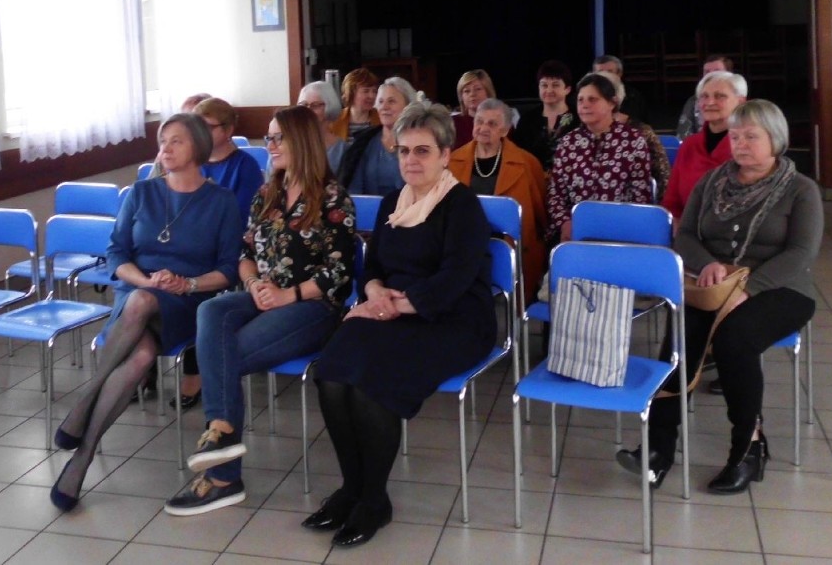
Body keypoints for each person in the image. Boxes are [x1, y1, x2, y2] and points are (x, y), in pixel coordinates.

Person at [302, 102, 496, 547]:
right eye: (404, 151)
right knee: (332, 374)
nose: (411, 160)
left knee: (373, 385)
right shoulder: (394, 201)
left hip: (453, 318)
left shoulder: (462, 205)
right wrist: (373, 294)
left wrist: (397, 306)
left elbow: (457, 278)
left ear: (446, 155)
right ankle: (351, 487)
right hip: (391, 309)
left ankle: (374, 501)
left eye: (423, 151)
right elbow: (372, 266)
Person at [616, 100, 822, 495]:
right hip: (713, 284)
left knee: (734, 339)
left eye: (751, 137)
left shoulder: (800, 190)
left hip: (780, 288)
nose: (740, 144)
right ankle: (657, 449)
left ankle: (748, 448)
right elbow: (686, 235)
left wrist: (749, 288)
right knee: (680, 338)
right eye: (735, 136)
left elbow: (801, 254)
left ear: (775, 140)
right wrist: (709, 264)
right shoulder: (712, 182)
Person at [163, 106, 356, 516]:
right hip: (262, 294)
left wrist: (288, 295)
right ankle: (222, 436)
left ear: (300, 142)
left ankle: (222, 473)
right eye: (267, 138)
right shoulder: (266, 194)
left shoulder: (334, 197)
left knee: (225, 353)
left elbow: (339, 271)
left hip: (313, 306)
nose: (268, 146)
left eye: (276, 139)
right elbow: (244, 252)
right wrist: (253, 284)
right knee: (212, 313)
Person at [50, 113, 242, 512]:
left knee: (142, 307)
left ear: (198, 149)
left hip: (189, 303)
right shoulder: (141, 192)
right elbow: (116, 252)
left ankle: (85, 403)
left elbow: (226, 271)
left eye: (176, 141)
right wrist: (144, 279)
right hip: (138, 294)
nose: (165, 148)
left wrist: (184, 284)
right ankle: (82, 459)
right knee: (138, 353)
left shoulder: (222, 201)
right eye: (162, 140)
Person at [169, 97, 265, 410]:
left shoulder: (245, 166)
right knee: (154, 276)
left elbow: (238, 218)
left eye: (207, 127)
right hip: (188, 245)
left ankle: (194, 373)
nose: (199, 133)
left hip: (226, 247)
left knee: (200, 290)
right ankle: (143, 365)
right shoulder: (192, 162)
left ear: (228, 130)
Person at [450, 98, 548, 302]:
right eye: (479, 121)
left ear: (505, 130)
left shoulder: (528, 163)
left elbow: (541, 215)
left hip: (512, 249)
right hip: (463, 246)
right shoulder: (451, 161)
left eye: (492, 124)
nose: (483, 128)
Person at [546, 73, 651, 245]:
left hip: (621, 231)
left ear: (612, 103)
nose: (584, 105)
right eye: (580, 100)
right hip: (577, 231)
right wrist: (565, 222)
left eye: (592, 99)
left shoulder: (633, 140)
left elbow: (640, 196)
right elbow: (555, 194)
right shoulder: (568, 143)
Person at [663, 71, 748, 225]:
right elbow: (672, 204)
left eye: (719, 96)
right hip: (688, 233)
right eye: (704, 96)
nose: (709, 103)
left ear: (741, 102)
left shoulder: (749, 146)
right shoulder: (689, 145)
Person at [594, 71, 671, 203]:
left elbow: (664, 178)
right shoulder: (579, 137)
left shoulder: (641, 133)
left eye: (595, 97)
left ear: (614, 100)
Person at [339, 77, 417, 196]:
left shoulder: (420, 143)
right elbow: (354, 192)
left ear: (408, 106)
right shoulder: (364, 143)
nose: (384, 107)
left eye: (391, 101)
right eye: (380, 102)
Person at [510, 60, 579, 172]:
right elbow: (518, 153)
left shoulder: (579, 118)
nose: (549, 90)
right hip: (533, 180)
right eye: (544, 85)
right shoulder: (527, 119)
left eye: (555, 85)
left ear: (567, 89)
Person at [677, 55, 734, 140]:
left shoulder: (738, 100)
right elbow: (683, 134)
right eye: (707, 72)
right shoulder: (693, 101)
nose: (710, 75)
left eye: (717, 71)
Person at [298, 80, 348, 173]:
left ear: (329, 106)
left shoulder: (343, 150)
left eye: (315, 105)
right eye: (303, 105)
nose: (308, 111)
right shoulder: (290, 145)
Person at [329, 68, 381, 145]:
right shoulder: (334, 120)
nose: (372, 96)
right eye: (366, 91)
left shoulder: (381, 119)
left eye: (374, 91)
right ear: (351, 93)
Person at [593, 55, 648, 122]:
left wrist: (629, 119)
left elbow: (642, 122)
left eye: (609, 72)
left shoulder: (633, 95)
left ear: (619, 74)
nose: (605, 76)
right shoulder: (583, 95)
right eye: (600, 72)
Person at [452, 69, 496, 149]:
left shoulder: (502, 122)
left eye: (478, 89)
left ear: (488, 92)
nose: (472, 94)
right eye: (467, 91)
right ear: (461, 97)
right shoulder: (452, 124)